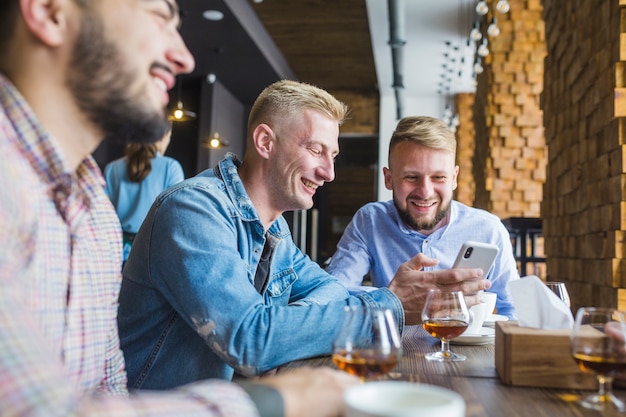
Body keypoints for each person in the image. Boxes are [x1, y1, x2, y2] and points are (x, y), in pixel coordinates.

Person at [0, 0, 359, 416]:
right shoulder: (189, 206)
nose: (184, 57)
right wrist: (278, 399)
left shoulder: (94, 203)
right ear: (49, 11)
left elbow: (108, 386)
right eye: (158, 15)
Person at [118, 80, 493, 390]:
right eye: (316, 150)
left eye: (333, 155)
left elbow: (333, 290)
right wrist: (390, 305)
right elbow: (251, 339)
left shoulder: (275, 230)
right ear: (265, 142)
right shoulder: (193, 211)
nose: (329, 173)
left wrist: (279, 333)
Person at [326, 115, 519, 319]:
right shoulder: (370, 221)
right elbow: (334, 295)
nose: (425, 192)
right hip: (395, 349)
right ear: (389, 179)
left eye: (438, 177)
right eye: (411, 177)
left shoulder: (488, 229)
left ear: (453, 178)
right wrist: (391, 298)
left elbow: (515, 310)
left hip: (464, 349)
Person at [105, 125, 184, 263]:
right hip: (152, 254)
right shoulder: (170, 167)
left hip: (114, 251)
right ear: (162, 136)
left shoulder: (112, 168)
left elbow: (104, 213)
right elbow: (176, 217)